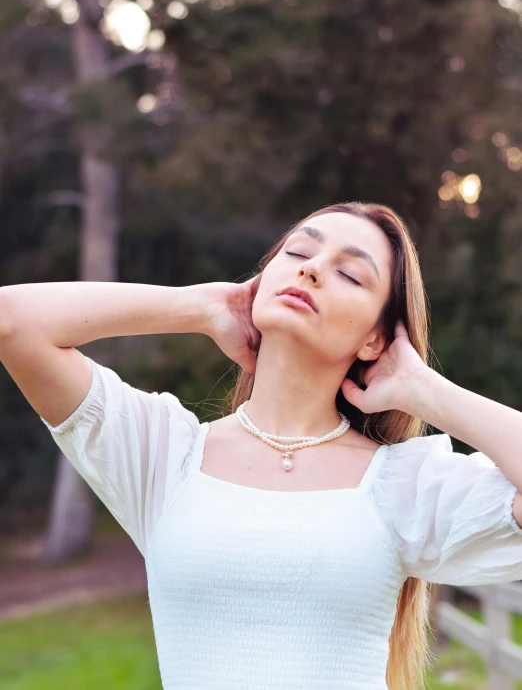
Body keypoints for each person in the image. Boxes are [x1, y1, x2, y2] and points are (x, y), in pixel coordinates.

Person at [1, 200, 522, 690]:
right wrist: (200, 305)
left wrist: (422, 388)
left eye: (350, 273)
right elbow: (13, 322)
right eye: (298, 252)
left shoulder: (403, 484)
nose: (311, 269)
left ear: (374, 340)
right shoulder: (163, 456)